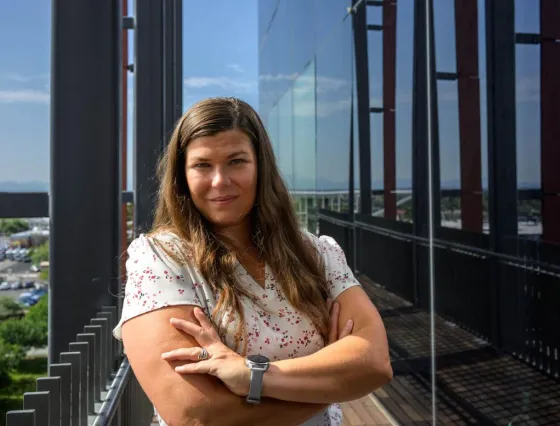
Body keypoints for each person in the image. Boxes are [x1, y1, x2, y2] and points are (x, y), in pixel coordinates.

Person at [113, 97, 392, 426]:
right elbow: (195, 414)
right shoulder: (161, 259)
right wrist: (331, 381)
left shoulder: (317, 254)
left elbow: (374, 363)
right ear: (182, 177)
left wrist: (252, 377)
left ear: (261, 167)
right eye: (203, 165)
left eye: (236, 161)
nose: (220, 180)